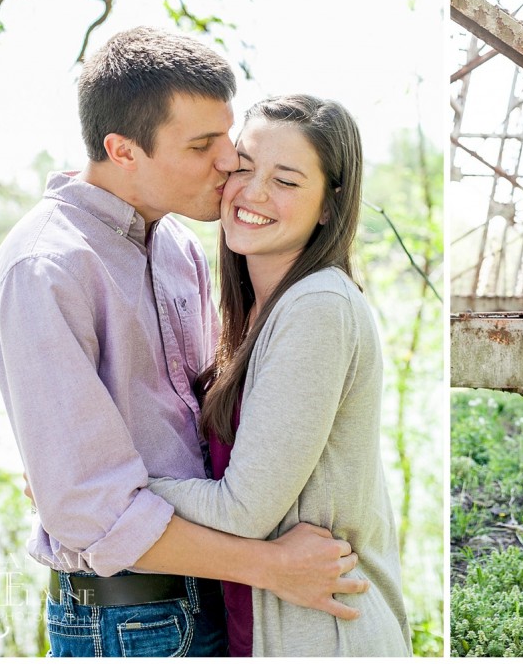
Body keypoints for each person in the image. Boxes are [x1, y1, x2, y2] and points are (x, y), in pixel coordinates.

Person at [0, 28, 366, 657]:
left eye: (227, 138)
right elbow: (90, 509)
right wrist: (268, 566)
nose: (228, 164)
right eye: (201, 145)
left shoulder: (178, 248)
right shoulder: (44, 270)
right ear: (122, 150)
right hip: (127, 621)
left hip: (219, 598)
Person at [146, 95, 411, 656]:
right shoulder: (260, 315)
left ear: (326, 208)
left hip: (328, 637)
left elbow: (242, 510)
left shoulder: (318, 307)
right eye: (243, 167)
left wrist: (95, 485)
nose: (254, 192)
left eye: (286, 181)